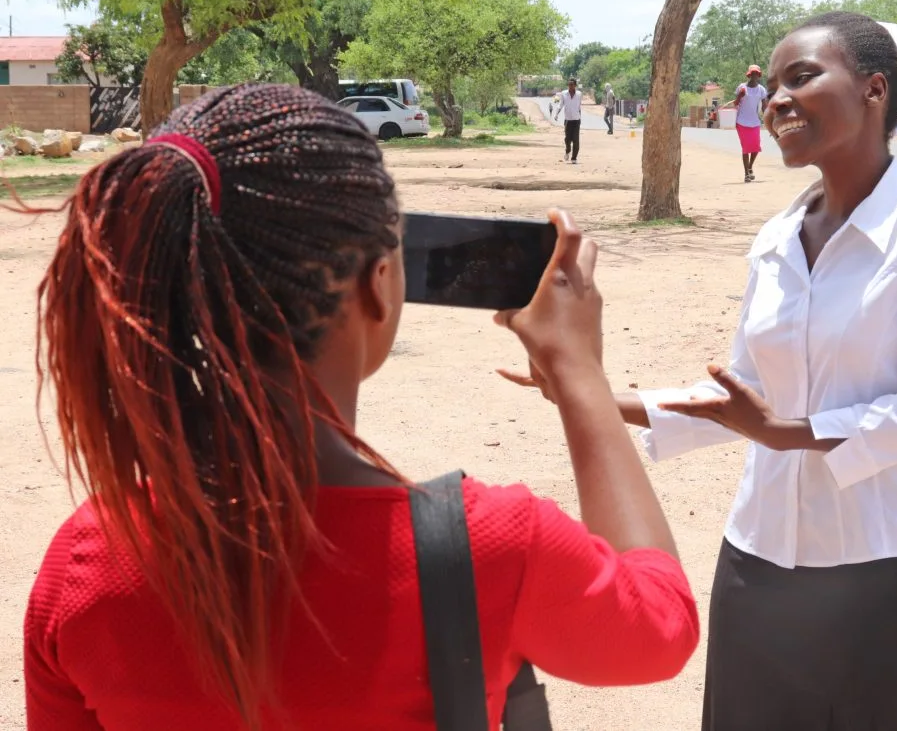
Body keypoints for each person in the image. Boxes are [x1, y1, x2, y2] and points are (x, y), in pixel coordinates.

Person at [18, 84, 699, 730]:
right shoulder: (495, 547)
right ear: (378, 287)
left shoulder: (85, 565)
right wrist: (577, 371)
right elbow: (661, 624)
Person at [505, 11, 897, 730]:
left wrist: (787, 431)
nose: (778, 99)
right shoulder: (777, 236)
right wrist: (606, 398)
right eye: (774, 85)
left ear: (875, 90)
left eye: (803, 77)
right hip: (759, 564)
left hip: (891, 570)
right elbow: (742, 392)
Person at [722, 65, 769, 183]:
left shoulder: (761, 90)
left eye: (756, 74)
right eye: (752, 73)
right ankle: (746, 174)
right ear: (749, 75)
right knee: (745, 148)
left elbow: (764, 106)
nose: (754, 76)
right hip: (742, 122)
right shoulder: (742, 87)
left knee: (756, 147)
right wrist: (740, 96)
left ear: (758, 76)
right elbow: (736, 103)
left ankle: (750, 167)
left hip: (755, 122)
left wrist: (768, 118)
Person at [559, 78, 583, 163]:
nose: (570, 86)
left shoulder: (579, 94)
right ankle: (567, 150)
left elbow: (579, 106)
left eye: (572, 85)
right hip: (568, 120)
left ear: (575, 85)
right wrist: (556, 113)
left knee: (576, 139)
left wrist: (580, 117)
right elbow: (561, 104)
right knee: (567, 139)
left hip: (576, 120)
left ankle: (574, 158)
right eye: (569, 84)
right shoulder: (564, 94)